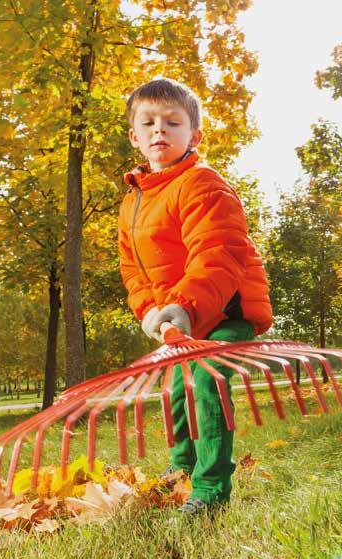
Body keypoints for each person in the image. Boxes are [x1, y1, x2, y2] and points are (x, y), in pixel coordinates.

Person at [118, 78, 272, 515]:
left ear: (194, 135)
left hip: (224, 309)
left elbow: (218, 254)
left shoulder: (204, 184)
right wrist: (151, 312)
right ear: (134, 136)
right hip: (179, 318)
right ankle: (180, 473)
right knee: (175, 389)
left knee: (205, 380)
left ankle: (209, 492)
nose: (158, 131)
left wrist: (183, 308)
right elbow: (134, 271)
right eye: (147, 123)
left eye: (172, 122)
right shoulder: (132, 204)